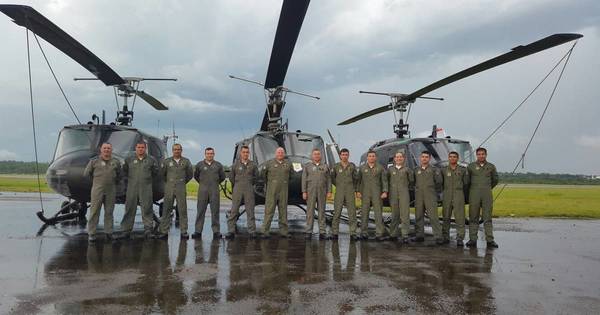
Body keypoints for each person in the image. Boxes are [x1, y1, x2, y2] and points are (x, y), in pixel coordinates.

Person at [119, 141, 159, 239]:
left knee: (147, 208)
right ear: (135, 148)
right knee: (129, 208)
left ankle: (148, 229)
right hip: (132, 187)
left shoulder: (151, 160)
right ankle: (126, 230)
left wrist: (146, 180)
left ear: (145, 149)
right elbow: (124, 171)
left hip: (146, 187)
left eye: (142, 147)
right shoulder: (129, 159)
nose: (140, 149)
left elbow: (155, 172)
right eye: (138, 147)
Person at [83, 142, 121, 242]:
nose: (106, 150)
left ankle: (109, 233)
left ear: (111, 150)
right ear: (101, 150)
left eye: (108, 148)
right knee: (94, 211)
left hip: (110, 191)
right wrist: (97, 183)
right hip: (97, 190)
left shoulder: (116, 162)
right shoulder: (94, 162)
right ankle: (91, 233)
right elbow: (87, 174)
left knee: (109, 212)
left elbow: (119, 176)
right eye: (105, 148)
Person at [156, 143, 194, 240]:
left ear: (181, 150)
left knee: (182, 210)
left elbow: (190, 174)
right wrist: (169, 182)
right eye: (175, 149)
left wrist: (182, 182)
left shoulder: (186, 161)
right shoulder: (167, 161)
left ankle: (184, 231)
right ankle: (164, 231)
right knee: (166, 210)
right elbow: (162, 174)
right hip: (169, 187)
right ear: (172, 151)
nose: (177, 151)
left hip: (181, 187)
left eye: (178, 149)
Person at [467, 147, 499, 248]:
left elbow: (495, 180)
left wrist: (487, 188)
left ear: (486, 155)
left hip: (487, 194)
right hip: (474, 194)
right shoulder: (471, 166)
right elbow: (466, 182)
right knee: (473, 217)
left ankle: (490, 240)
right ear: (476, 155)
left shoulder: (491, 166)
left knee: (487, 217)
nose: (481, 156)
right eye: (479, 154)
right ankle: (472, 239)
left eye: (483, 154)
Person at [226, 145, 259, 239]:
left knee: (250, 211)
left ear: (249, 153)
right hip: (238, 189)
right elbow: (231, 177)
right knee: (234, 210)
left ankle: (252, 231)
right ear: (241, 153)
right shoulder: (235, 165)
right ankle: (231, 231)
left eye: (247, 152)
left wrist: (250, 183)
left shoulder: (252, 165)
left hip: (249, 189)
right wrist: (237, 184)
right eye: (243, 152)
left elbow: (256, 177)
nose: (245, 154)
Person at [193, 147, 226, 239]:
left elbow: (222, 177)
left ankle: (216, 231)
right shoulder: (199, 165)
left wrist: (214, 183)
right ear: (205, 154)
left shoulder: (218, 165)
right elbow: (196, 176)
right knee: (200, 211)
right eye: (208, 153)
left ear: (214, 154)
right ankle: (198, 231)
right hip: (202, 191)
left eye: (211, 153)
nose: (209, 155)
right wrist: (203, 183)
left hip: (214, 191)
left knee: (215, 212)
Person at [261, 147, 293, 238]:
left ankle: (284, 232)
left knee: (283, 211)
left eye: (282, 152)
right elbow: (263, 175)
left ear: (284, 154)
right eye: (278, 152)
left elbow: (292, 175)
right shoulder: (269, 163)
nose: (280, 154)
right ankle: (264, 231)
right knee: (269, 211)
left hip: (283, 191)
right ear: (275, 154)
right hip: (272, 191)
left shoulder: (288, 164)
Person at [356, 150, 388, 241]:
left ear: (376, 157)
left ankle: (379, 233)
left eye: (373, 156)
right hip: (365, 193)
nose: (371, 158)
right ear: (367, 157)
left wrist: (385, 191)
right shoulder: (362, 168)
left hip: (377, 193)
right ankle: (363, 232)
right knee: (364, 213)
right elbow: (359, 181)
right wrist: (358, 191)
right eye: (370, 156)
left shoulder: (380, 168)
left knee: (378, 213)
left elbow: (384, 181)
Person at [413, 151, 444, 245]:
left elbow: (439, 182)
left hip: (430, 196)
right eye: (422, 157)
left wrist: (434, 193)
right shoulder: (416, 169)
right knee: (418, 216)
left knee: (433, 217)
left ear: (429, 158)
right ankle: (419, 235)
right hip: (419, 196)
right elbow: (412, 182)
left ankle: (438, 236)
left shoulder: (434, 169)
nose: (424, 158)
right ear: (420, 158)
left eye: (426, 157)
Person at [302, 149, 332, 239]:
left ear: (321, 156)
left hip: (322, 191)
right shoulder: (307, 166)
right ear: (312, 156)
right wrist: (304, 191)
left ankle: (322, 231)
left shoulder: (325, 166)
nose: (317, 156)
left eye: (318, 154)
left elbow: (329, 180)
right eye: (315, 154)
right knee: (310, 212)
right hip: (310, 191)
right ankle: (308, 231)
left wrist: (329, 191)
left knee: (321, 211)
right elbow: (303, 179)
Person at [441, 151, 469, 247]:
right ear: (448, 158)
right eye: (451, 157)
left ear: (457, 158)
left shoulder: (462, 170)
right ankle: (445, 237)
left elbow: (466, 183)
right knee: (446, 217)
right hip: (447, 194)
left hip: (458, 194)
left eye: (454, 157)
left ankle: (460, 238)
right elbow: (440, 182)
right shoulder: (444, 170)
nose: (452, 158)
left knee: (460, 218)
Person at [331, 148, 359, 241]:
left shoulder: (352, 166)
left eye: (346, 154)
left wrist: (355, 190)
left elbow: (356, 178)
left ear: (348, 155)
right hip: (339, 192)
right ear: (340, 155)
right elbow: (333, 178)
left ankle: (353, 233)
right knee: (337, 213)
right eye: (343, 154)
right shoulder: (336, 166)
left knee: (352, 213)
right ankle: (334, 233)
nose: (344, 156)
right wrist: (339, 185)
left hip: (350, 192)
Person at [387, 151, 414, 244]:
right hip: (393, 194)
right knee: (394, 214)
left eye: (400, 157)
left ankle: (405, 234)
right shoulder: (390, 169)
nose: (399, 159)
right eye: (397, 157)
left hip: (404, 194)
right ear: (394, 159)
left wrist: (405, 189)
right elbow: (386, 181)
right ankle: (393, 234)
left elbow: (411, 181)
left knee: (404, 214)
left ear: (403, 159)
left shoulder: (407, 169)